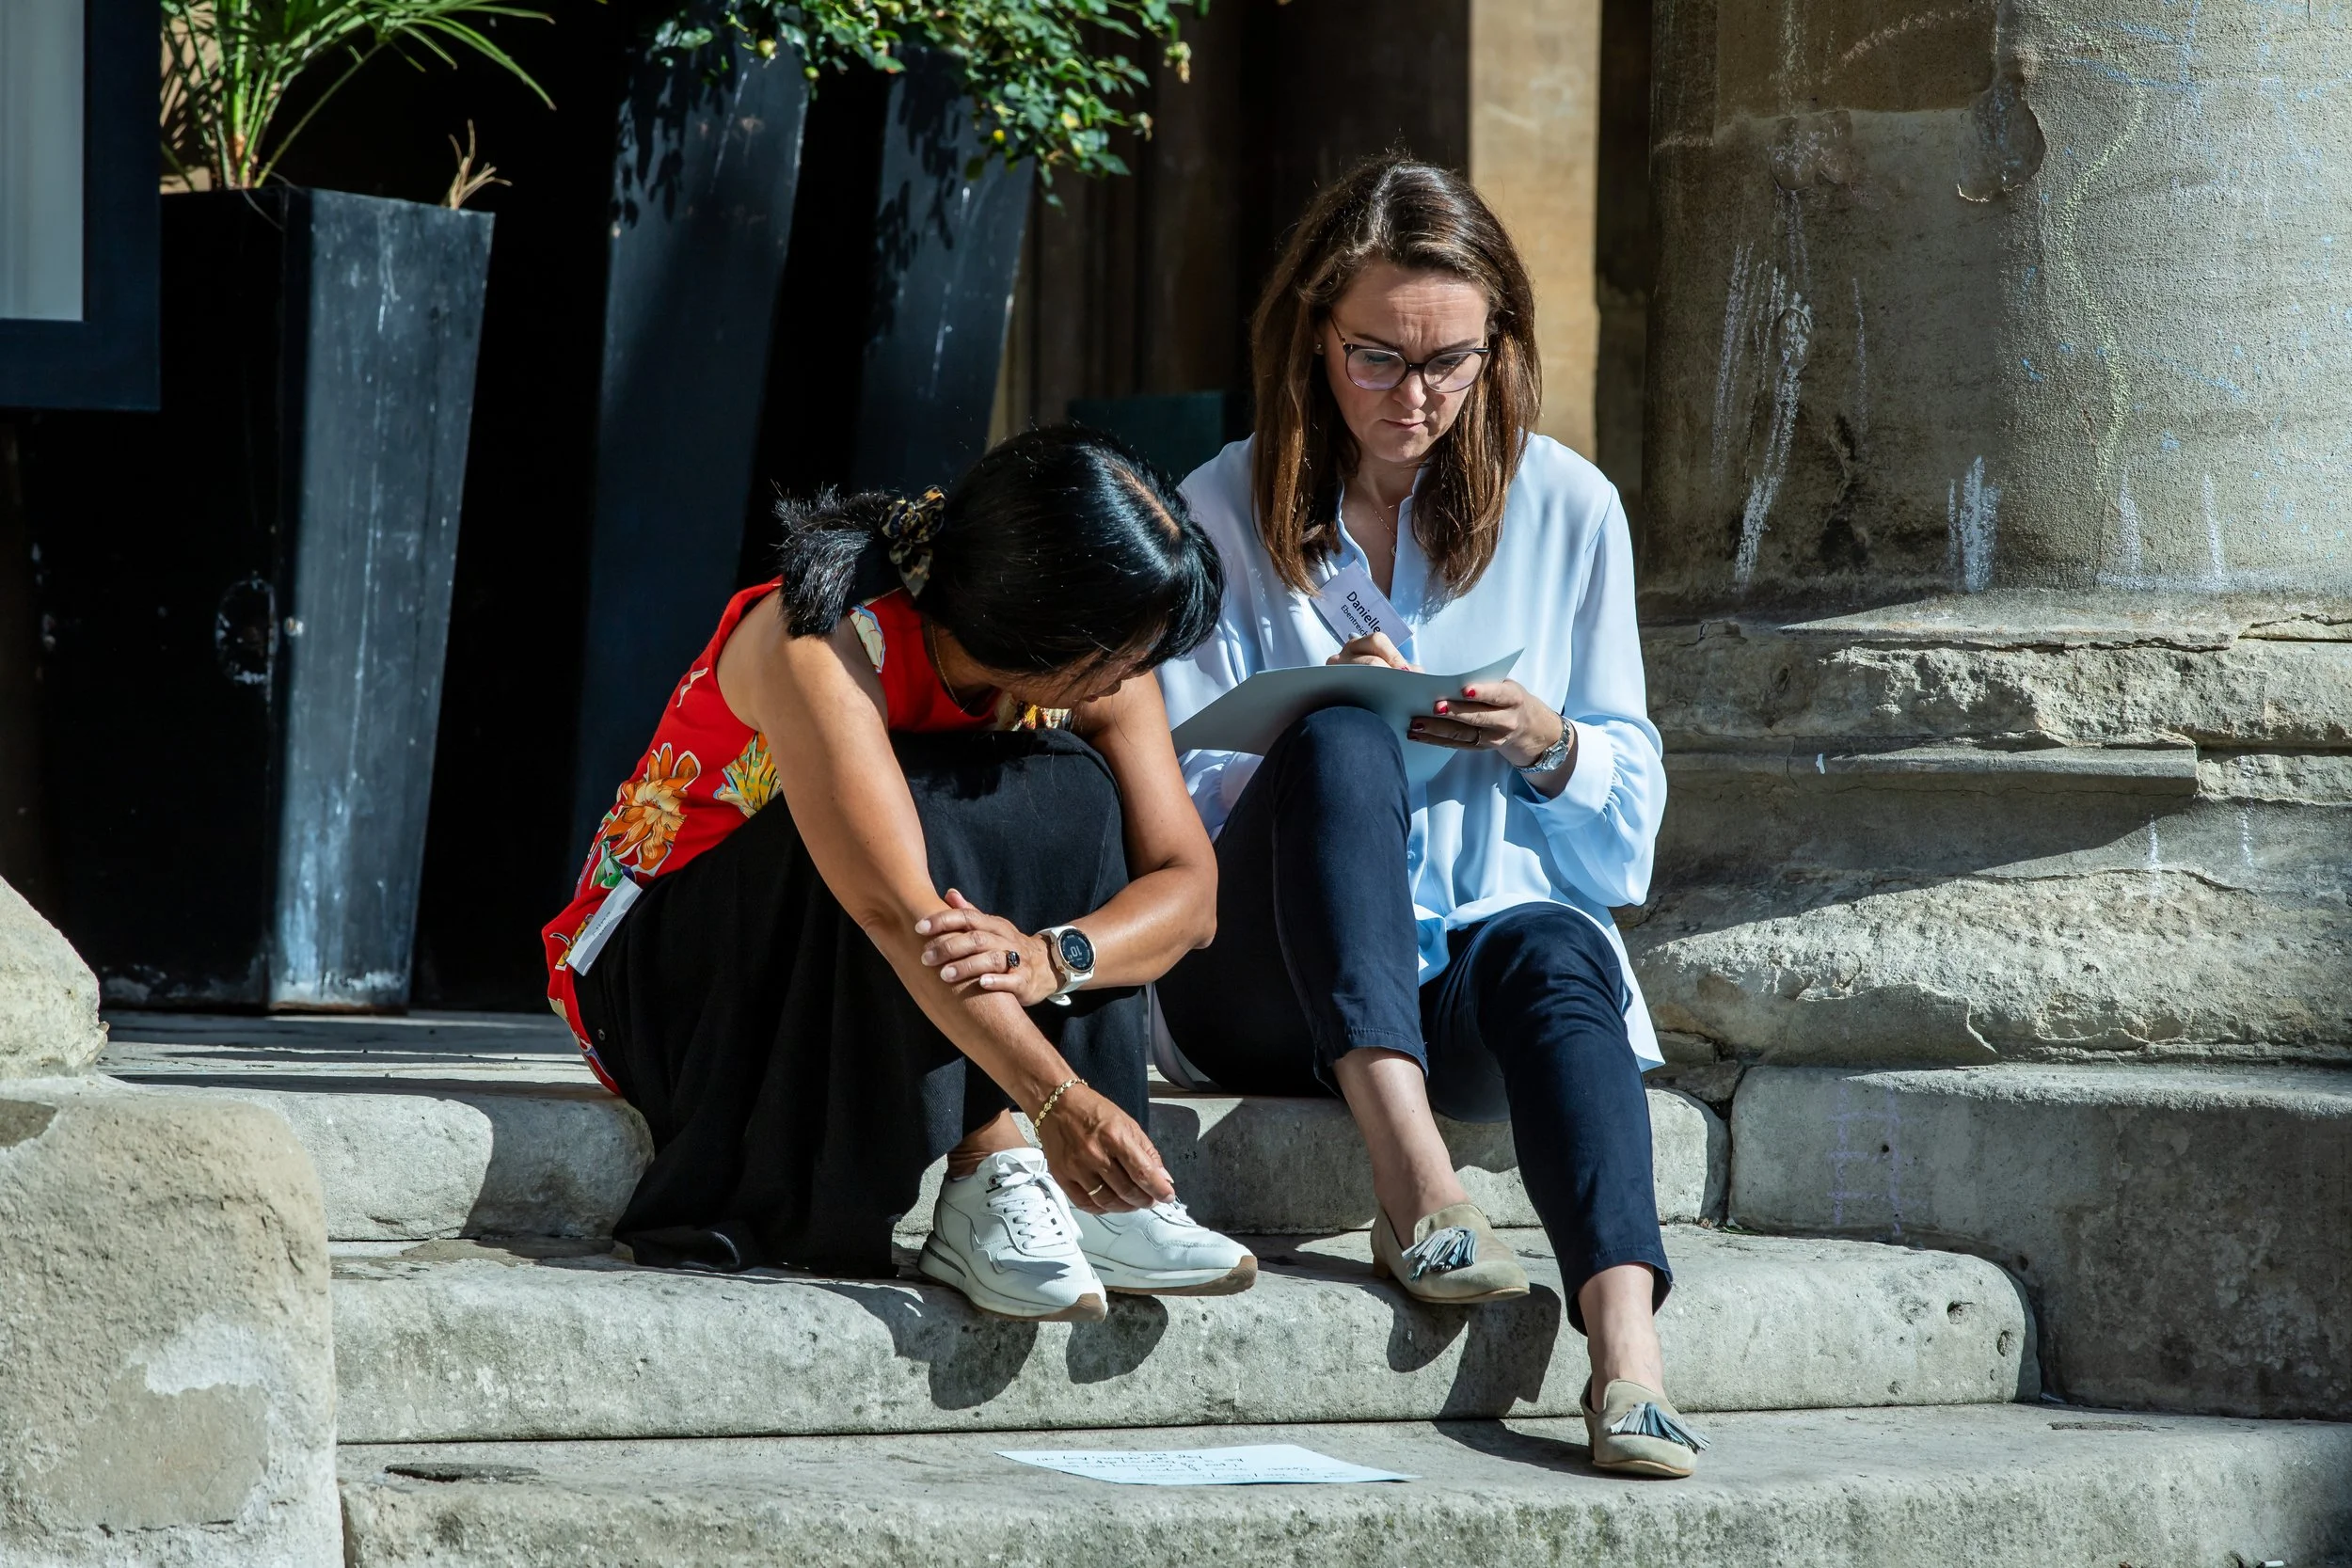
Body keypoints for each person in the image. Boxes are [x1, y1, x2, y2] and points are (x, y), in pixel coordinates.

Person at [1154, 157, 1707, 1476]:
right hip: (1260, 984)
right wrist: (1305, 742)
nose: (1416, 398)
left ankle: (1627, 1363)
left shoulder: (1571, 507)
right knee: (1342, 735)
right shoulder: (1219, 509)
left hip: (1453, 979)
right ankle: (1415, 1190)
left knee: (1565, 946)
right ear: (1311, 338)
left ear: (1497, 346)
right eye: (1377, 360)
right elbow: (1166, 796)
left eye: (1451, 362)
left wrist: (1550, 744)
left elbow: (1617, 850)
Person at [545, 426, 1255, 1323]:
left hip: (870, 960)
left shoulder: (1095, 659)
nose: (1134, 675)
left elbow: (1192, 895)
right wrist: (1055, 1103)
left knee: (1072, 789)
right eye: (1119, 655)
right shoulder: (823, 640)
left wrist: (1053, 955)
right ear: (1039, 623)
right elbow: (894, 909)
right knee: (915, 810)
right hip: (666, 982)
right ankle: (989, 1159)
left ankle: (1098, 1197)